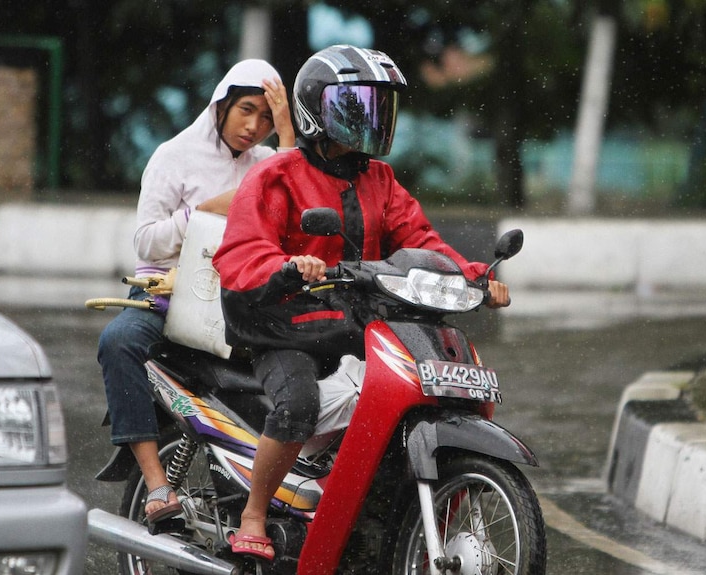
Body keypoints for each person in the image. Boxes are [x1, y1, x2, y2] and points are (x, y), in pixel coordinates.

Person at [212, 44, 510, 561]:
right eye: (356, 108)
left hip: (352, 319)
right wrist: (287, 267)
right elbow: (243, 250)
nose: (371, 121)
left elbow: (419, 239)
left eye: (379, 108)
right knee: (299, 404)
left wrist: (475, 277)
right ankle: (254, 514)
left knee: (421, 383)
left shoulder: (379, 180)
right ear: (314, 113)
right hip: (283, 321)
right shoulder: (275, 176)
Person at [97, 58, 295, 528]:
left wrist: (287, 129)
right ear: (221, 104)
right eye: (247, 110)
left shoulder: (266, 164)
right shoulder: (173, 155)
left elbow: (294, 188)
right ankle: (158, 485)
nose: (254, 127)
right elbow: (145, 241)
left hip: (235, 304)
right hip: (169, 296)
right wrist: (202, 215)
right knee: (118, 341)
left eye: (267, 119)